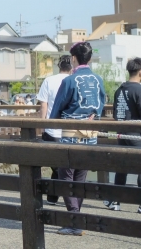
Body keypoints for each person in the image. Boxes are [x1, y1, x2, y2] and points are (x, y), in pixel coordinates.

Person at [49, 41, 105, 236]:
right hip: (90, 134)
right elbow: (101, 104)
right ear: (88, 59)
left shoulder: (70, 81)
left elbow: (56, 109)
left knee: (66, 176)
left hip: (71, 132)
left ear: (73, 59)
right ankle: (76, 219)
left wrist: (54, 120)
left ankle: (75, 221)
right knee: (80, 176)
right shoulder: (98, 79)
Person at [37, 55, 72, 205]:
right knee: (62, 166)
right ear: (72, 67)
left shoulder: (49, 80)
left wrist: (42, 125)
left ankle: (53, 196)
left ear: (59, 66)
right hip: (70, 129)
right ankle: (67, 197)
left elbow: (43, 105)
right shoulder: (73, 80)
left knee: (58, 165)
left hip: (52, 130)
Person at [107, 57, 141, 213]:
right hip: (136, 135)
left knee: (121, 168)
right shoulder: (139, 90)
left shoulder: (119, 89)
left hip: (121, 134)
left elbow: (115, 114)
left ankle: (116, 201)